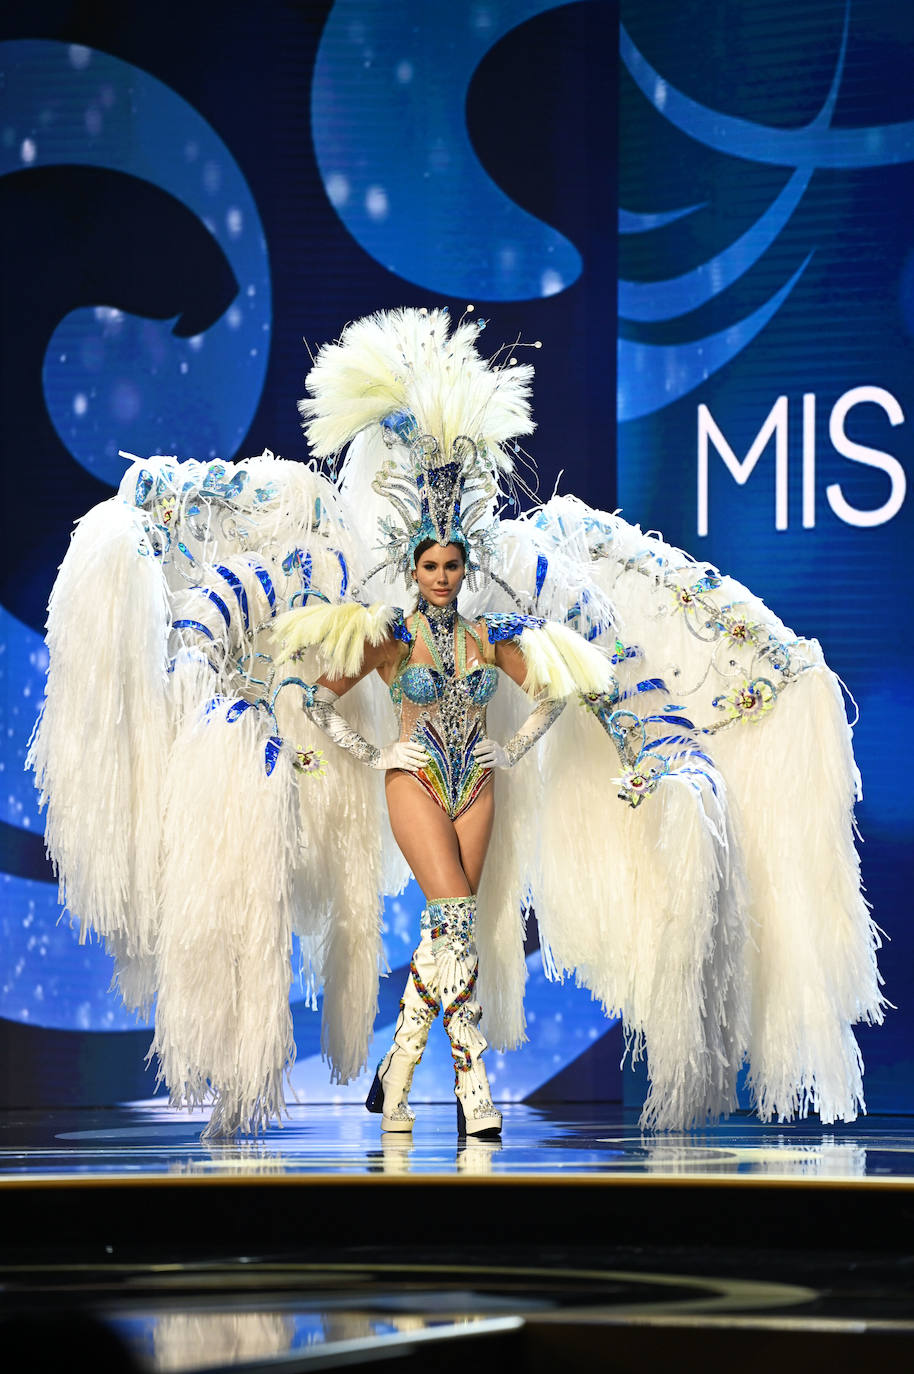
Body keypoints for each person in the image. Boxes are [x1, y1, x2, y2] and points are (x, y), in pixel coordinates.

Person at [28, 306, 884, 1139]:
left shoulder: (491, 629)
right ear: (414, 563)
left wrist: (527, 744)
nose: (441, 575)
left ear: (465, 562)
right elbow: (316, 690)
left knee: (455, 930)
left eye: (452, 563)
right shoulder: (389, 635)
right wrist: (357, 748)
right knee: (453, 926)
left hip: (476, 778)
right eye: (430, 564)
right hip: (413, 774)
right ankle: (475, 1089)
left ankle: (396, 1075)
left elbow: (576, 675)